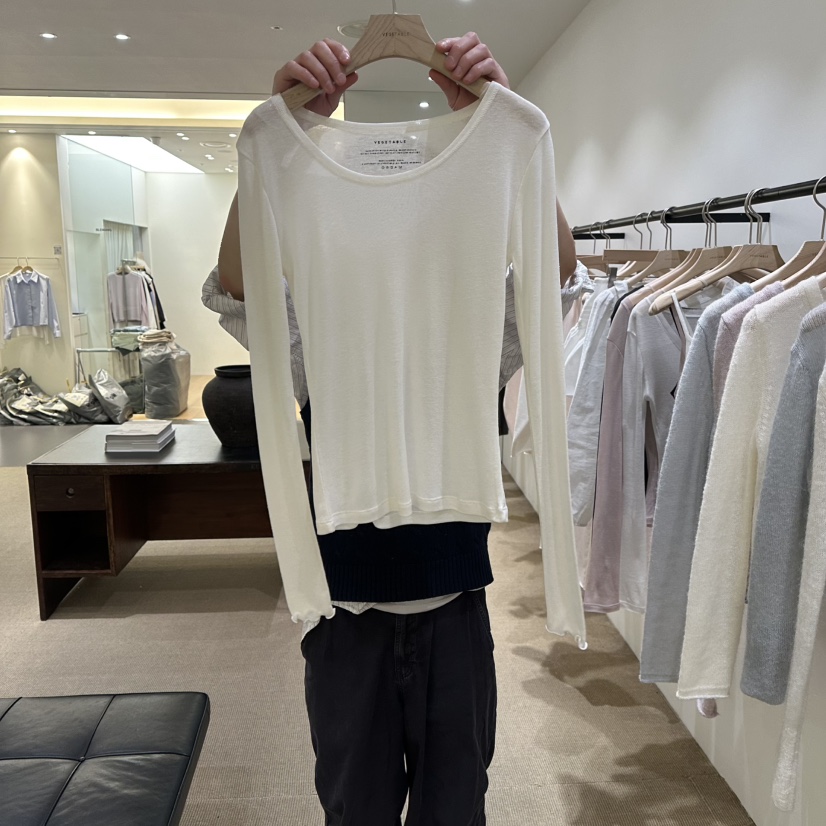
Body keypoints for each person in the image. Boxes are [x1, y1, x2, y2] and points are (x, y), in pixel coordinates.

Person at [213, 33, 579, 825]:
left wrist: (508, 131)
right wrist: (276, 140)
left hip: (456, 608)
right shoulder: (315, 327)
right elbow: (240, 289)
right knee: (358, 810)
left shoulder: (472, 319)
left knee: (456, 810)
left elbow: (553, 280)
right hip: (345, 615)